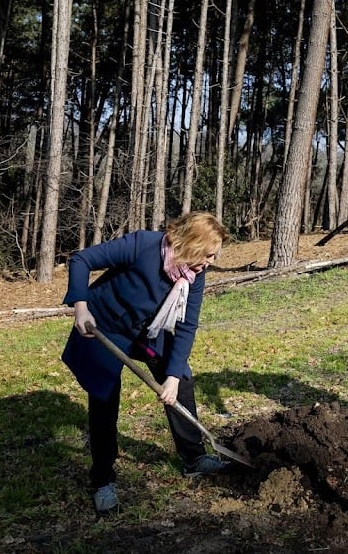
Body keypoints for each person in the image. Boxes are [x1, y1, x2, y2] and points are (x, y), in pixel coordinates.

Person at [61, 211, 231, 514]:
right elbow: (81, 259)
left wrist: (173, 377)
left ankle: (193, 457)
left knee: (182, 377)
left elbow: (187, 326)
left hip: (148, 332)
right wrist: (81, 308)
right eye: (208, 254)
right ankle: (103, 479)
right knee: (104, 397)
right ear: (191, 243)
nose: (210, 262)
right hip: (104, 325)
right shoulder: (143, 245)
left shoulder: (194, 273)